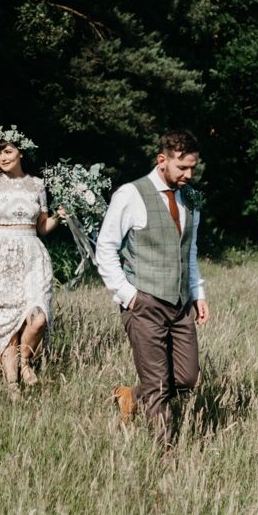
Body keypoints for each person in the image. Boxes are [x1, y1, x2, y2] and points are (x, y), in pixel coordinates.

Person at [95, 129, 209, 446]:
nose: (188, 174)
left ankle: (129, 395)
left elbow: (190, 251)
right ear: (162, 160)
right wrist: (127, 294)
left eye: (192, 168)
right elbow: (105, 248)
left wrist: (197, 293)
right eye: (182, 167)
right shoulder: (130, 195)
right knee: (157, 384)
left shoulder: (191, 199)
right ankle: (165, 454)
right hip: (143, 300)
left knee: (187, 378)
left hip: (181, 302)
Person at [0, 126, 62, 396]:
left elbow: (42, 227)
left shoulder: (37, 184)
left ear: (21, 152)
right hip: (0, 254)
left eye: (8, 151)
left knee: (37, 318)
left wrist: (61, 216)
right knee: (7, 322)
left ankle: (26, 361)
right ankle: (12, 384)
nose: (3, 158)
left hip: (32, 256)